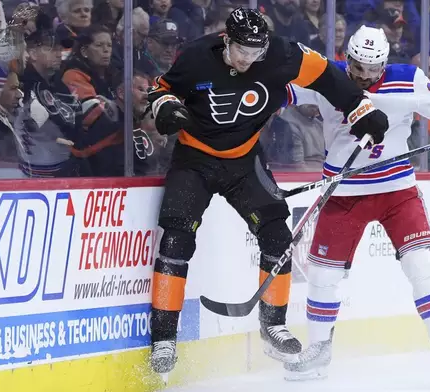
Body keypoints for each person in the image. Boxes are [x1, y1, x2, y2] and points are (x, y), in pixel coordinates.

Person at [146, 7, 389, 375]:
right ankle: (164, 338)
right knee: (176, 238)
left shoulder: (283, 54)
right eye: (241, 51)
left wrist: (360, 108)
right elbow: (161, 89)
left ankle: (273, 325)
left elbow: (327, 76)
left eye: (256, 53)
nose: (248, 60)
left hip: (245, 160)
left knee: (277, 235)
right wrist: (166, 108)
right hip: (194, 158)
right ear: (226, 41)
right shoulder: (197, 56)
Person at [281, 26, 430, 386]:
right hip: (343, 192)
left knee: (422, 265)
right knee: (323, 276)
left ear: (384, 63)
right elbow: (282, 91)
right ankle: (320, 350)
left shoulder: (407, 79)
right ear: (346, 56)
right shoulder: (328, 76)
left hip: (397, 190)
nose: (365, 76)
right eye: (357, 66)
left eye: (373, 69)